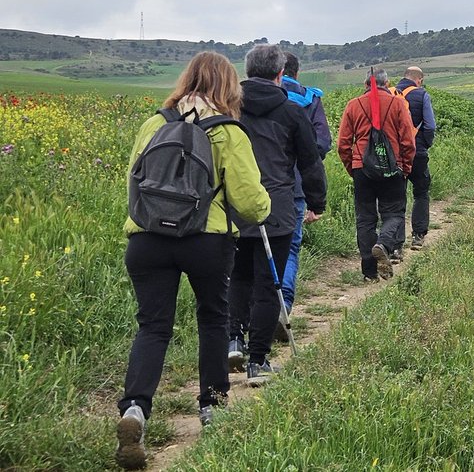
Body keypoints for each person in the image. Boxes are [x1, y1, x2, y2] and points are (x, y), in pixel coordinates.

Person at [117, 52, 271, 470]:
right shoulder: (228, 131)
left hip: (147, 239)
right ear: (228, 86)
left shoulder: (155, 122)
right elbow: (251, 204)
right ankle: (213, 406)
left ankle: (134, 408)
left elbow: (134, 180)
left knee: (152, 326)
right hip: (205, 239)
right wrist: (263, 206)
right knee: (213, 319)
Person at [226, 44, 326, 387]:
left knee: (238, 277)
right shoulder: (291, 111)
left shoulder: (229, 107)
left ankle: (233, 341)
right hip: (278, 207)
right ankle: (258, 362)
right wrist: (316, 202)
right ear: (280, 74)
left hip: (234, 207)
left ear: (248, 71)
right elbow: (310, 162)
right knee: (268, 284)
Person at [337, 68, 416, 280]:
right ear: (387, 83)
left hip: (362, 167)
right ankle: (383, 244)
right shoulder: (398, 104)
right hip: (392, 168)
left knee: (365, 218)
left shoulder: (353, 105)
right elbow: (408, 141)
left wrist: (353, 168)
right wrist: (405, 168)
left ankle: (369, 272)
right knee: (394, 213)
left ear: (366, 85)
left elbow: (343, 144)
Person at [280, 52, 331, 312]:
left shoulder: (249, 97)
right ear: (297, 72)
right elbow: (322, 143)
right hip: (297, 185)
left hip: (255, 183)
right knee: (290, 246)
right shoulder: (310, 99)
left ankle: (248, 319)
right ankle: (283, 305)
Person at [391, 66, 437, 249]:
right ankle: (418, 236)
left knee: (396, 198)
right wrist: (425, 144)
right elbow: (430, 125)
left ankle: (396, 245)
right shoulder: (422, 95)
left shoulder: (391, 93)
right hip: (417, 154)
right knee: (421, 192)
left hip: (395, 155)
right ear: (419, 80)